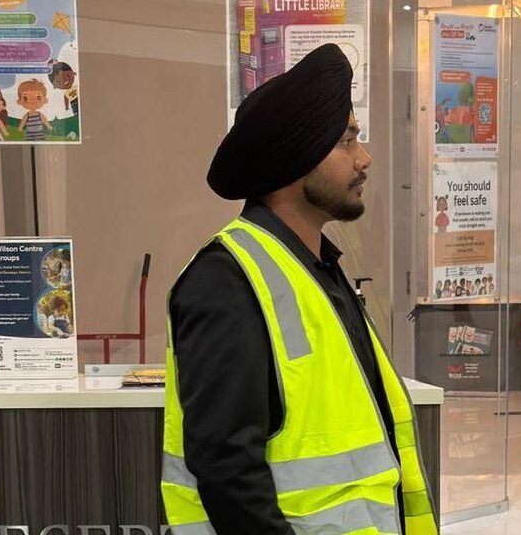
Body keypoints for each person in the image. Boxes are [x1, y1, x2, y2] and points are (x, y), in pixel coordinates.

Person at [162, 44, 438, 535]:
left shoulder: (318, 269)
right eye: (347, 141)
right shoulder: (226, 280)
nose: (364, 159)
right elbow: (228, 474)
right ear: (295, 158)